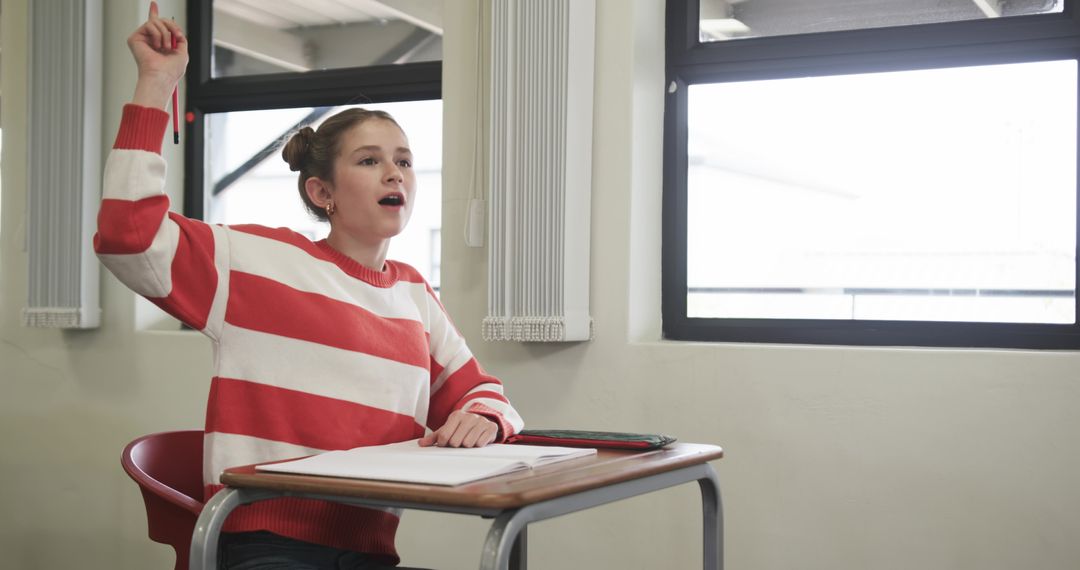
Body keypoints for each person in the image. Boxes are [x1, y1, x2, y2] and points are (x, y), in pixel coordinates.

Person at [96, 3, 524, 568]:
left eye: (404, 160)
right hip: (264, 545)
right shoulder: (254, 261)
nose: (395, 172)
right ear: (322, 193)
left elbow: (485, 393)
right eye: (370, 161)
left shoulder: (414, 295)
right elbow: (128, 234)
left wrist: (485, 418)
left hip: (367, 551)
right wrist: (157, 83)